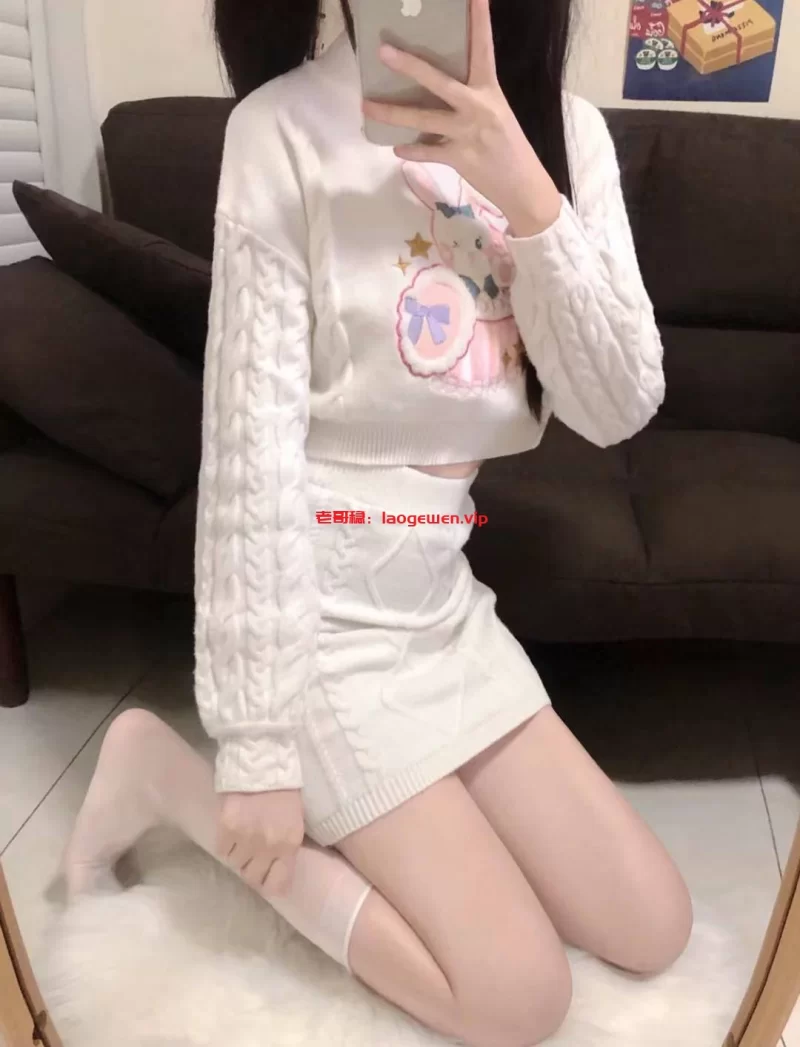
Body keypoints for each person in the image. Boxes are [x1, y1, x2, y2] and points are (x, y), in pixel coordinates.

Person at [64, 2, 693, 1044]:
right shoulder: (279, 131)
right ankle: (163, 777)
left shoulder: (564, 133)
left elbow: (617, 403)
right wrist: (256, 745)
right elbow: (248, 452)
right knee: (518, 998)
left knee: (654, 925)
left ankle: (394, 802)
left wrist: (521, 184)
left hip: (441, 603)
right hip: (320, 619)